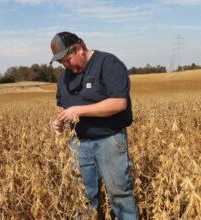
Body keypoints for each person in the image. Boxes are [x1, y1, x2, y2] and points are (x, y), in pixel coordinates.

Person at [50, 31, 139, 220]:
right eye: (61, 63)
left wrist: (79, 110)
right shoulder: (64, 76)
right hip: (78, 144)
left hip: (109, 140)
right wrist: (59, 120)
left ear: (79, 49)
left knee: (119, 195)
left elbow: (118, 103)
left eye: (67, 60)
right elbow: (62, 104)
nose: (65, 65)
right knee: (82, 197)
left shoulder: (108, 64)